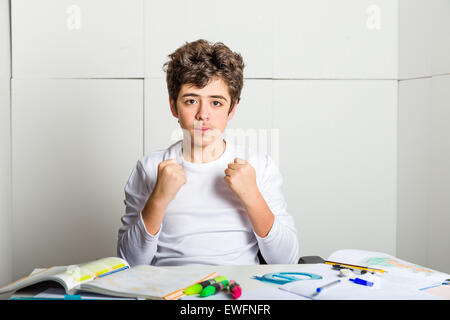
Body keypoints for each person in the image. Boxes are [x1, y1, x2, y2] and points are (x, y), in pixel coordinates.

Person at [117, 39, 299, 266]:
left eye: (216, 103)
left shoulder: (259, 166)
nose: (203, 114)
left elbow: (286, 260)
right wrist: (159, 199)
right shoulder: (149, 167)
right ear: (174, 106)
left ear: (232, 108)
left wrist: (252, 196)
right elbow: (129, 263)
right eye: (191, 101)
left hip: (239, 291)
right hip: (169, 290)